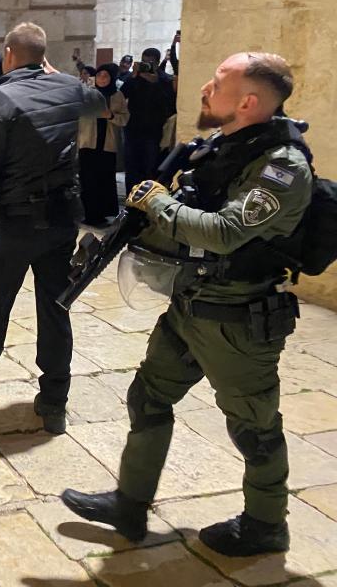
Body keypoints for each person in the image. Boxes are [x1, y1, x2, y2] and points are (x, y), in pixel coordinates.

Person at [62, 52, 312, 557]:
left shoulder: (282, 167)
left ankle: (266, 525)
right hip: (191, 304)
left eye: (217, 82)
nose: (204, 88)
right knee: (148, 397)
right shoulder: (225, 146)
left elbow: (224, 233)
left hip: (237, 321)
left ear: (248, 101)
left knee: (255, 428)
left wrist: (157, 201)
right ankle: (130, 504)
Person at [0, 23, 105, 434]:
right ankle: (54, 400)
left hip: (12, 221)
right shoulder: (68, 89)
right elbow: (98, 101)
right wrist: (56, 73)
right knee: (56, 308)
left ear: (8, 54)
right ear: (43, 57)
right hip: (60, 220)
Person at [78, 63, 129, 226]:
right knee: (87, 180)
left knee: (104, 180)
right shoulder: (87, 93)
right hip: (87, 143)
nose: (102, 79)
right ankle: (88, 214)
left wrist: (110, 116)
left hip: (107, 145)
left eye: (105, 76)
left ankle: (102, 214)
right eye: (99, 75)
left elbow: (124, 119)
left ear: (111, 78)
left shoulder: (118, 95)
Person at [121, 47, 176, 192]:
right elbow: (122, 95)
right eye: (144, 62)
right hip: (133, 129)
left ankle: (147, 201)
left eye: (150, 63)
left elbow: (169, 103)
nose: (146, 65)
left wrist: (155, 82)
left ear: (157, 63)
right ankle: (131, 200)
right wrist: (133, 76)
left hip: (154, 131)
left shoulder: (164, 79)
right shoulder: (134, 77)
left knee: (150, 168)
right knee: (131, 168)